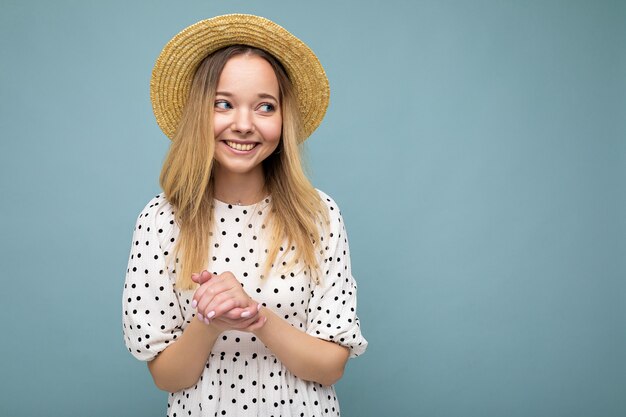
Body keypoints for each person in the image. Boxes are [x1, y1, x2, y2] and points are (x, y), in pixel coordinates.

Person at [122, 14, 367, 416]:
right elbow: (167, 377)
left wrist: (256, 318)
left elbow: (331, 366)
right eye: (224, 103)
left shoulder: (318, 214)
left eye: (265, 107)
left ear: (283, 119)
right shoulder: (161, 219)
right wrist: (210, 321)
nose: (243, 125)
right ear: (199, 111)